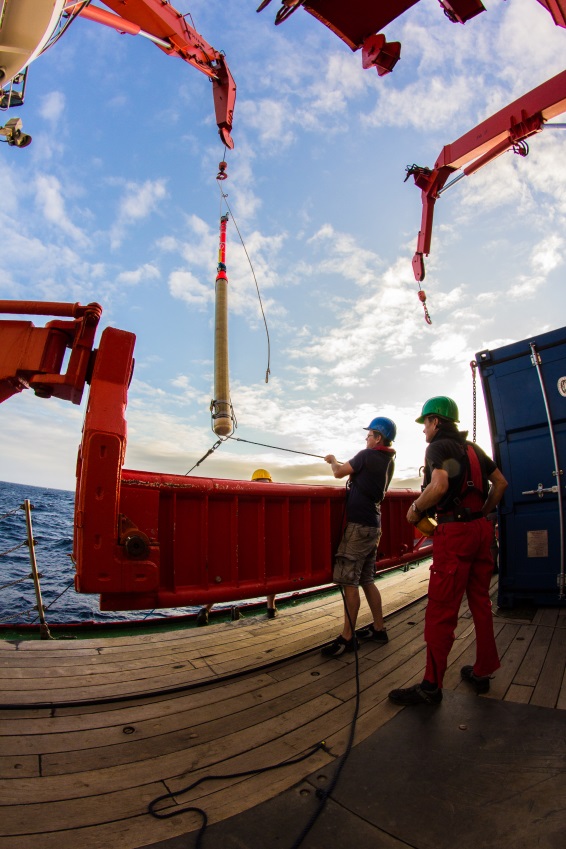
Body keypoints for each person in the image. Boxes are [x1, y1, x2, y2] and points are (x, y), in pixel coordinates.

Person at [388, 396, 507, 706]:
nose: (423, 430)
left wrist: (415, 508)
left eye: (425, 423)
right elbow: (501, 483)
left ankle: (431, 686)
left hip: (454, 534)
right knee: (480, 601)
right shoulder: (475, 451)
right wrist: (482, 512)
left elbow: (439, 486)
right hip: (481, 530)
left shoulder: (437, 447)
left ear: (436, 421)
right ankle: (483, 670)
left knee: (441, 609)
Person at [321, 416, 397, 657]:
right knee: (367, 579)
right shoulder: (388, 461)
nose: (366, 438)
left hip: (358, 528)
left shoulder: (366, 456)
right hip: (374, 526)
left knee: (348, 582)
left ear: (378, 438)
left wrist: (333, 460)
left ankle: (347, 637)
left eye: (370, 434)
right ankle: (379, 628)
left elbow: (338, 473)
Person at [195, 469, 277, 625]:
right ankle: (271, 607)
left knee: (225, 576)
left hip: (240, 546)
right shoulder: (273, 499)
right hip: (262, 545)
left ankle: (205, 609)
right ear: (270, 483)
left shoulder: (243, 499)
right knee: (271, 572)